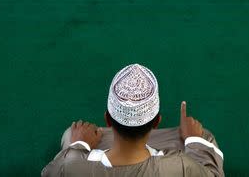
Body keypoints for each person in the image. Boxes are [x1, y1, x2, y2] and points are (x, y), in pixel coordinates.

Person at [42, 64, 224, 176]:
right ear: (156, 122)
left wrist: (78, 146)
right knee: (204, 138)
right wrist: (194, 140)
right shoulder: (182, 168)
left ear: (107, 119)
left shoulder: (68, 168)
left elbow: (51, 172)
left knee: (70, 136)